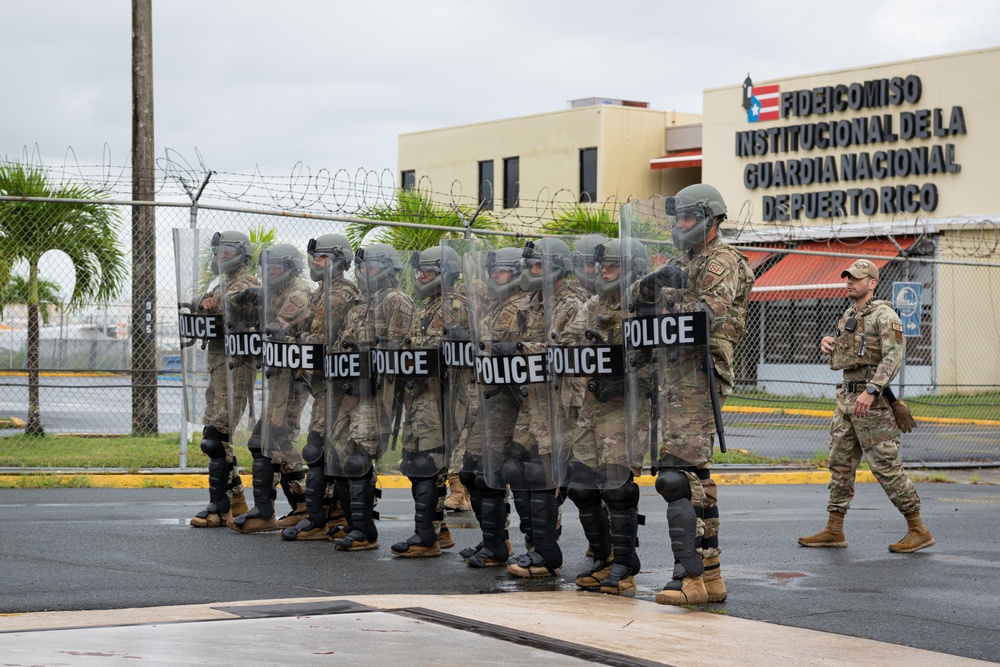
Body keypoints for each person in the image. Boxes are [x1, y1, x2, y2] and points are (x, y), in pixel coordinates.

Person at [626, 183, 754, 605]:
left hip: (698, 375)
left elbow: (704, 315)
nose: (679, 225)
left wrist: (666, 302)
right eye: (676, 218)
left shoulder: (721, 261)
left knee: (677, 478)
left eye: (687, 218)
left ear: (712, 221)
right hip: (670, 374)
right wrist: (654, 282)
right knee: (691, 477)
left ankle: (691, 578)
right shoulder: (686, 260)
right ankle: (709, 578)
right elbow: (632, 300)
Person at [799, 259, 935, 553]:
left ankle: (918, 529)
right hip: (847, 402)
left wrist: (872, 391)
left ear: (872, 283)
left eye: (856, 278)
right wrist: (831, 345)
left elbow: (893, 356)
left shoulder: (884, 315)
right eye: (847, 277)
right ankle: (834, 530)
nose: (849, 282)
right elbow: (853, 357)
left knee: (886, 467)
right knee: (840, 465)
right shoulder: (850, 313)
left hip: (871, 405)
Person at [563, 238, 650, 595]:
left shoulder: (644, 307)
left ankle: (625, 564)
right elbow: (568, 345)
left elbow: (660, 357)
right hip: (592, 405)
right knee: (580, 486)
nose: (604, 272)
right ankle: (604, 557)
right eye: (602, 266)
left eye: (612, 265)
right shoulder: (594, 304)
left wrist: (631, 379)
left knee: (617, 489)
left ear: (630, 267)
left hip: (625, 409)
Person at [502, 238, 587, 579]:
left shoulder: (571, 303)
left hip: (560, 400)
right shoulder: (532, 302)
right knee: (515, 466)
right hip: (532, 399)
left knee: (544, 473)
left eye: (536, 265)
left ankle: (548, 554)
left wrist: (520, 348)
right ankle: (534, 545)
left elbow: (567, 349)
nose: (528, 270)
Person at [328, 242, 413, 552]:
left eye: (373, 266)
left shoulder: (396, 301)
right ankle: (352, 523)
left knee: (358, 458)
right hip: (350, 391)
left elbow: (399, 351)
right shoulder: (359, 303)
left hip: (376, 394)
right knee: (337, 455)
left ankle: (365, 531)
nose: (366, 272)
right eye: (363, 267)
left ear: (389, 268)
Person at [280, 234, 359, 541]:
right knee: (323, 449)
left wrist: (289, 342)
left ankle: (321, 519)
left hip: (338, 385)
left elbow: (319, 339)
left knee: (319, 448)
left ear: (339, 262)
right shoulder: (320, 292)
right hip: (323, 383)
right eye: (314, 257)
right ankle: (329, 515)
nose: (316, 263)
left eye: (323, 258)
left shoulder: (338, 295)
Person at [230, 244, 312, 533]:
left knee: (265, 439)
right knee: (279, 442)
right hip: (278, 377)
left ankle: (266, 512)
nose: (270, 271)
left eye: (277, 266)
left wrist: (260, 305)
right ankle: (302, 505)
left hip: (294, 377)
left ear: (291, 268)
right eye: (268, 266)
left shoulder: (297, 293)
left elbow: (278, 327)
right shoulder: (274, 292)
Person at [390, 246, 466, 558]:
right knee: (414, 463)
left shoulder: (454, 305)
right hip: (419, 397)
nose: (420, 275)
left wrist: (402, 347)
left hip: (441, 398)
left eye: (428, 271)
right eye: (419, 270)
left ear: (445, 274)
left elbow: (432, 348)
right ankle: (438, 530)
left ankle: (427, 537)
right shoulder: (425, 307)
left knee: (427, 464)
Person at [188, 231, 255, 528]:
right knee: (212, 435)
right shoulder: (221, 283)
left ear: (241, 252)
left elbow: (233, 304)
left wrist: (212, 300)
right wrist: (203, 298)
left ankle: (222, 504)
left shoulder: (246, 283)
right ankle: (233, 500)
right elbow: (201, 301)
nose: (221, 255)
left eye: (228, 250)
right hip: (218, 366)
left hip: (236, 367)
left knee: (216, 437)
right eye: (218, 249)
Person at [463, 246, 523, 567]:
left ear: (516, 272)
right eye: (491, 270)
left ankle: (500, 547)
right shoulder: (494, 307)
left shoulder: (521, 307)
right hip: (486, 402)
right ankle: (494, 541)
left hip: (511, 404)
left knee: (492, 476)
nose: (492, 276)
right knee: (471, 472)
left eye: (499, 270)